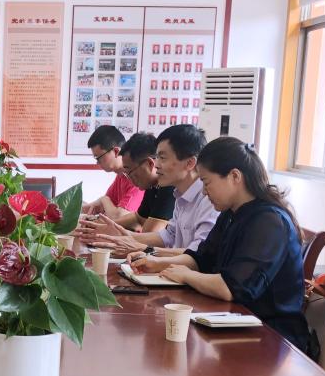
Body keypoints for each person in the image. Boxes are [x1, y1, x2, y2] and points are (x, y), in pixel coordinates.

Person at [131, 137, 312, 352]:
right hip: (234, 322)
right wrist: (157, 263)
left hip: (272, 337)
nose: (204, 192)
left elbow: (232, 288)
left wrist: (185, 275)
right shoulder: (230, 213)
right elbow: (200, 259)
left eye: (207, 182)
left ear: (235, 176)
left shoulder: (269, 221)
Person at [84, 124, 217, 257]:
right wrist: (119, 234)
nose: (156, 165)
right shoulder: (180, 194)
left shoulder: (210, 199)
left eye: (162, 158)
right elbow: (168, 236)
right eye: (157, 157)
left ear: (190, 163)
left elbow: (198, 254)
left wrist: (143, 248)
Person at [77, 132, 174, 240]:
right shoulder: (151, 186)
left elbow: (149, 233)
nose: (129, 178)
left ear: (150, 164)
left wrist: (113, 233)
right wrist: (104, 226)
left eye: (130, 172)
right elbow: (138, 218)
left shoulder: (168, 187)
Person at [80, 125, 143, 218]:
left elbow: (120, 216)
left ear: (116, 151)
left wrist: (104, 199)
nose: (97, 163)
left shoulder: (137, 179)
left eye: (98, 157)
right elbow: (100, 207)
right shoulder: (120, 176)